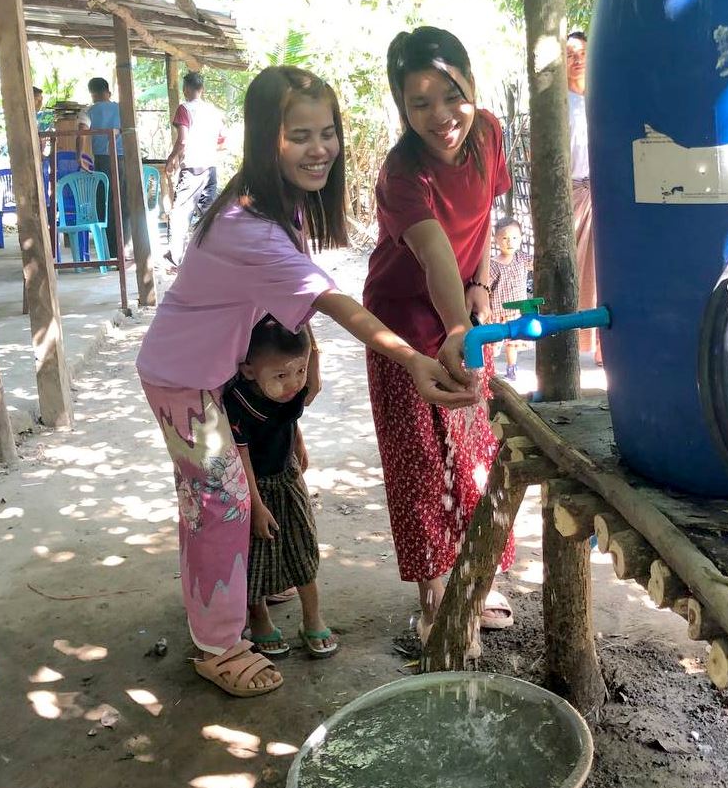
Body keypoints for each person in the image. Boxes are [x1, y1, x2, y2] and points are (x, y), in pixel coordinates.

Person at [136, 65, 475, 699]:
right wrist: (414, 362)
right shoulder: (249, 226)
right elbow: (334, 302)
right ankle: (218, 645)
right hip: (186, 381)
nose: (319, 149)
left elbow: (284, 301)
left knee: (209, 506)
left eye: (327, 133)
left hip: (211, 373)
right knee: (223, 506)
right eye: (299, 135)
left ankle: (218, 603)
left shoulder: (272, 205)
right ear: (267, 139)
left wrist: (311, 360)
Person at [363, 26, 517, 647]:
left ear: (469, 85)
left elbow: (481, 222)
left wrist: (481, 289)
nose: (439, 116)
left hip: (459, 313)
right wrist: (457, 325)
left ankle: (477, 580)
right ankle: (434, 595)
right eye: (418, 103)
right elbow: (431, 254)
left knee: (476, 447)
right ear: (402, 109)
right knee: (420, 458)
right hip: (403, 319)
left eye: (449, 95)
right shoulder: (403, 174)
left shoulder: (488, 134)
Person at [223, 317, 337, 659]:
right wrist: (256, 506)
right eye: (281, 375)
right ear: (248, 371)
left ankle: (312, 617)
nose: (293, 383)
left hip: (287, 476)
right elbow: (240, 455)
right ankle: (259, 619)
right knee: (256, 554)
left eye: (299, 371)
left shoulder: (293, 390)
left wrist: (299, 446)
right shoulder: (237, 403)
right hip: (253, 485)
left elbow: (290, 417)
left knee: (302, 543)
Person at [164, 71, 224, 271]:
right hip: (211, 167)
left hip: (192, 167)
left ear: (186, 89)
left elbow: (182, 140)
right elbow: (222, 140)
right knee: (208, 213)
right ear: (202, 89)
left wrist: (172, 158)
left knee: (181, 212)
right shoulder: (214, 112)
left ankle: (176, 258)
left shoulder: (185, 109)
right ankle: (211, 257)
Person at [566, 30, 601, 366]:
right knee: (575, 265)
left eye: (582, 53)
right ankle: (575, 341)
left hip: (606, 191)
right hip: (575, 191)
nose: (577, 60)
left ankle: (606, 346)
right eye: (570, 54)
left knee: (608, 267)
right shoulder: (561, 105)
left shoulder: (604, 96)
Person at [78, 77, 129, 261]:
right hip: (125, 159)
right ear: (108, 91)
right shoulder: (123, 108)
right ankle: (126, 248)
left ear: (92, 93)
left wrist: (79, 156)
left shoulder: (89, 110)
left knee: (105, 204)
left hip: (103, 161)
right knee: (124, 203)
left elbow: (82, 132)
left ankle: (111, 251)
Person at [489, 216, 531, 382]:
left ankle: (511, 368)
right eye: (505, 238)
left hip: (517, 311)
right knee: (493, 344)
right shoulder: (492, 264)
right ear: (496, 240)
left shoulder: (521, 258)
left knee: (512, 343)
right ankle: (489, 371)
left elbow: (539, 263)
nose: (510, 242)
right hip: (498, 311)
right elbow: (486, 288)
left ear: (521, 238)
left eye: (514, 238)